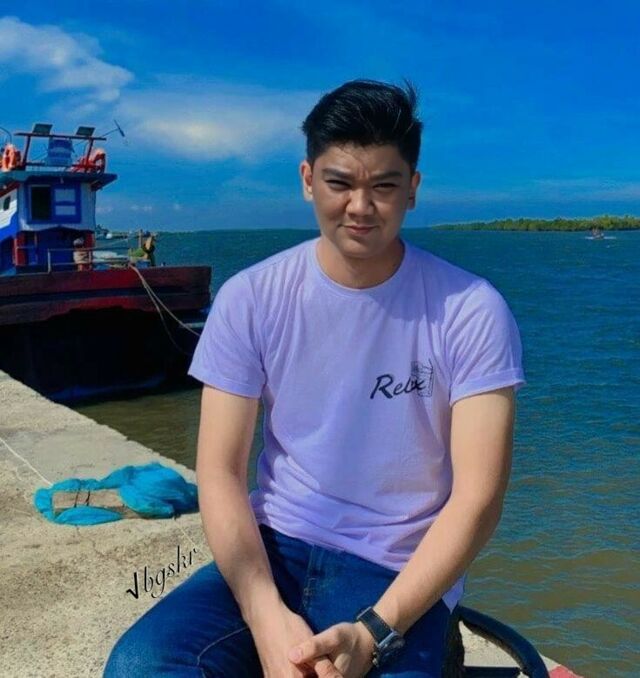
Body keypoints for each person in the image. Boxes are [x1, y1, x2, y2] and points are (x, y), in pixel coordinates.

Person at [104, 79, 525, 677]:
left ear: (413, 189)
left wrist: (375, 631)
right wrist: (266, 617)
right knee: (141, 664)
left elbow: (479, 497)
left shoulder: (471, 310)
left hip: (397, 569)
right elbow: (220, 472)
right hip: (275, 547)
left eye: (384, 186)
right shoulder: (251, 298)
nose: (361, 206)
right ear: (308, 180)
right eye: (340, 183)